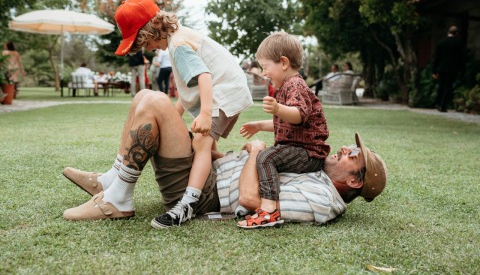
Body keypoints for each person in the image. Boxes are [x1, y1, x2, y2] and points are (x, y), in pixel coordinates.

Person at [62, 90, 388, 227]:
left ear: (355, 181)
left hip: (204, 193)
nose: (347, 148)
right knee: (144, 97)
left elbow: (249, 198)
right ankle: (110, 181)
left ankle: (117, 198)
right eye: (352, 146)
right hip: (208, 171)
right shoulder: (314, 171)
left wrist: (257, 150)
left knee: (157, 103)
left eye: (354, 155)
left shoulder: (323, 201)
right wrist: (211, 148)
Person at [113, 0, 253, 228]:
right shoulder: (179, 36)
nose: (147, 49)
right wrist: (171, 118)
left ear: (152, 30)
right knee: (206, 142)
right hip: (229, 89)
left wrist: (206, 113)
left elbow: (204, 77)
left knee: (201, 142)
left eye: (144, 42)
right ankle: (225, 166)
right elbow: (188, 94)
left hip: (224, 92)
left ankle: (187, 204)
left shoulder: (178, 47)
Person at [238, 31, 329, 228]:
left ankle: (269, 210)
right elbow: (286, 123)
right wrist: (259, 125)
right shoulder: (287, 86)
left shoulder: (295, 85)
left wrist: (278, 108)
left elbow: (298, 115)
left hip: (308, 153)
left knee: (266, 157)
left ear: (284, 63)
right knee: (268, 157)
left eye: (265, 67)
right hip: (302, 150)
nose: (263, 73)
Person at [432, 25, 466, 113]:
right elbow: (461, 58)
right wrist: (462, 70)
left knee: (441, 86)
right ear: (457, 33)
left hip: (442, 68)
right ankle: (443, 106)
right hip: (452, 69)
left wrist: (434, 70)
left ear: (448, 32)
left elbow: (437, 57)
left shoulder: (442, 42)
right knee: (448, 86)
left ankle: (438, 103)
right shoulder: (458, 43)